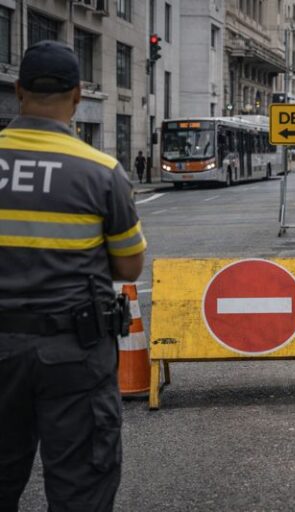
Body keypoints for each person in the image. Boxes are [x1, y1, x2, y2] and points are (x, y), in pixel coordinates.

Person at [0, 41, 147, 511]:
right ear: (78, 95)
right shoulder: (101, 171)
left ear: (19, 90)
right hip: (73, 351)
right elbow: (129, 266)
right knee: (81, 486)